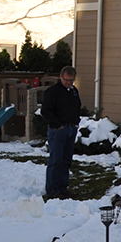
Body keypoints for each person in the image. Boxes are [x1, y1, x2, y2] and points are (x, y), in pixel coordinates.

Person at [41, 66, 81, 200]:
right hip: (58, 131)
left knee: (66, 161)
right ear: (60, 77)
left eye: (71, 80)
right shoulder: (53, 92)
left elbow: (77, 107)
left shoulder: (73, 91)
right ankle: (52, 190)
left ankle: (62, 188)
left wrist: (76, 123)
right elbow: (46, 111)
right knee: (56, 160)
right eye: (66, 80)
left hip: (71, 129)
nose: (68, 83)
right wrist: (57, 125)